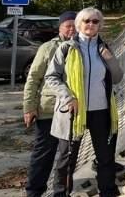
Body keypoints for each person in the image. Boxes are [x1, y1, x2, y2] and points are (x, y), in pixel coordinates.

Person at [46, 8, 124, 197]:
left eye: (95, 22)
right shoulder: (67, 48)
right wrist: (68, 97)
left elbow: (117, 78)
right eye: (87, 21)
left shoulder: (104, 47)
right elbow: (52, 77)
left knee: (105, 158)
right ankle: (60, 193)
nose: (91, 25)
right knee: (67, 159)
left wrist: (110, 59)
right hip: (73, 112)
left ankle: (108, 192)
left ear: (100, 25)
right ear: (79, 24)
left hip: (101, 111)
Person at [23, 11, 76, 197]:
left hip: (72, 111)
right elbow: (33, 79)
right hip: (48, 110)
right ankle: (34, 191)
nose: (72, 29)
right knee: (43, 155)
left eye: (74, 25)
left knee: (66, 158)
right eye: (67, 25)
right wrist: (29, 107)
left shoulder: (81, 47)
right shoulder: (47, 48)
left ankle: (60, 193)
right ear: (60, 27)